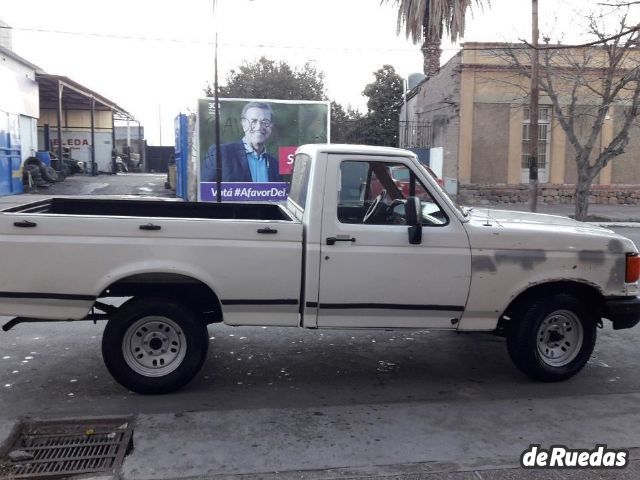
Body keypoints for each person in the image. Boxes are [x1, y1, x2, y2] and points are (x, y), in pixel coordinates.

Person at [202, 102, 281, 182]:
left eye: (265, 122)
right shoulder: (221, 153)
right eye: (254, 121)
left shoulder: (275, 165)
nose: (259, 126)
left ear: (271, 126)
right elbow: (207, 191)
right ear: (243, 124)